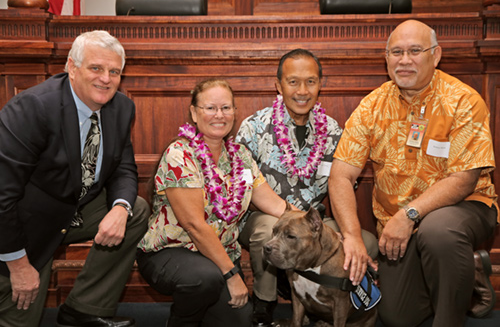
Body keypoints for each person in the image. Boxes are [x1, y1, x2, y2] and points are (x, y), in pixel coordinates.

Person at [329, 19, 499, 327]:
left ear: (435, 56)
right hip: (397, 228)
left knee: (438, 232)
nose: (404, 60)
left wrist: (409, 214)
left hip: (462, 209)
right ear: (386, 58)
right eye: (396, 52)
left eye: (415, 51)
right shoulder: (372, 106)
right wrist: (352, 236)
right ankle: (468, 275)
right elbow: (341, 174)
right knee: (398, 317)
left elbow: (464, 180)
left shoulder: (463, 100)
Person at [0, 30, 150, 327]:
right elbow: (2, 197)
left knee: (137, 209)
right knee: (19, 318)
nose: (106, 79)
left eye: (114, 71)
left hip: (76, 208)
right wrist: (18, 266)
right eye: (96, 68)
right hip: (26, 224)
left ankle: (84, 308)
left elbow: (123, 169)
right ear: (71, 67)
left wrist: (120, 208)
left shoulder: (121, 108)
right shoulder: (32, 108)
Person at [236, 48, 379, 326]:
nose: (302, 90)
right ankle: (265, 302)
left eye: (311, 81)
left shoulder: (334, 131)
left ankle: (330, 302)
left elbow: (342, 185)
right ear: (278, 85)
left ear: (320, 84)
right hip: (266, 217)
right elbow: (244, 187)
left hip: (314, 222)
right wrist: (285, 215)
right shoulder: (253, 128)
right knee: (269, 231)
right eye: (293, 82)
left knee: (367, 242)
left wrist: (348, 234)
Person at [136, 78, 292, 327]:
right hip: (172, 253)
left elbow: (276, 205)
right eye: (210, 108)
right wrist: (231, 275)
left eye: (226, 108)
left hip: (220, 259)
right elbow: (195, 226)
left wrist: (320, 228)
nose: (219, 115)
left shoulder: (241, 156)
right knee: (204, 278)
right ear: (194, 113)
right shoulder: (179, 154)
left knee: (241, 322)